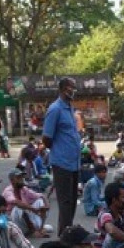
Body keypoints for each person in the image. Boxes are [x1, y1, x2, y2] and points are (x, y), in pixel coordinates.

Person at [42, 77, 81, 233]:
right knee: (65, 202)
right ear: (64, 89)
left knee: (72, 201)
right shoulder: (55, 109)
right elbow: (46, 138)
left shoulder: (69, 108)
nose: (74, 91)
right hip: (62, 162)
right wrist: (60, 150)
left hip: (74, 163)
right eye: (72, 87)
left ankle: (65, 232)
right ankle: (66, 236)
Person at [2, 168, 51, 238]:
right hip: (13, 222)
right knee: (18, 207)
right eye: (18, 178)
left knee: (39, 201)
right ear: (12, 180)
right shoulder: (8, 191)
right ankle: (33, 231)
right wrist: (33, 209)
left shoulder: (23, 189)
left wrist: (47, 206)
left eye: (22, 177)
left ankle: (40, 229)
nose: (21, 179)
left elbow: (41, 195)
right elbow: (16, 202)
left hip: (26, 219)